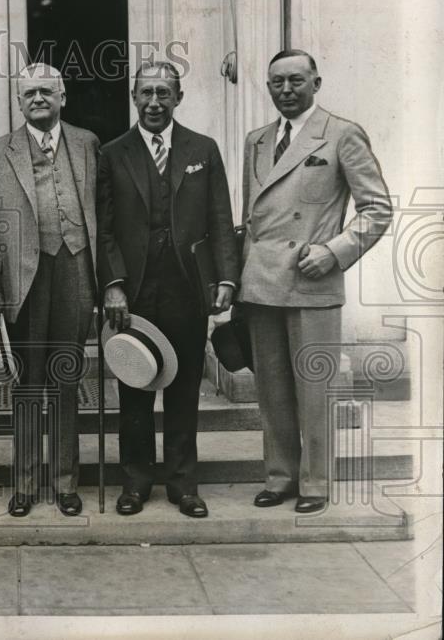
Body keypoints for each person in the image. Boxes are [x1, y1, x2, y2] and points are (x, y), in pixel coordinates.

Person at [240, 49, 392, 513]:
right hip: (262, 282)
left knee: (315, 389)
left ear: (316, 83)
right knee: (272, 389)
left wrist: (335, 251)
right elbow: (252, 218)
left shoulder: (342, 134)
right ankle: (281, 476)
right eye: (277, 83)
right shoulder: (258, 140)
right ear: (267, 87)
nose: (286, 90)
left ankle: (316, 484)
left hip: (312, 279)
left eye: (296, 81)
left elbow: (378, 209)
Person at [97, 61, 240, 518]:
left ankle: (184, 483)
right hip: (134, 291)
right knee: (133, 386)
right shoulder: (113, 152)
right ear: (134, 98)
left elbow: (221, 219)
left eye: (163, 93)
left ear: (178, 97)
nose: (154, 102)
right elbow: (103, 229)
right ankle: (135, 482)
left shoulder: (203, 148)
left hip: (188, 286)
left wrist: (226, 279)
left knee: (184, 387)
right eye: (146, 93)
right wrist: (113, 285)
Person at [0, 63, 100, 518]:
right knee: (28, 382)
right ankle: (26, 483)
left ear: (62, 97)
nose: (38, 99)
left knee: (68, 375)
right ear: (18, 101)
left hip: (75, 267)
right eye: (29, 93)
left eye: (46, 92)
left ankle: (66, 481)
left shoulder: (88, 143)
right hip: (22, 276)